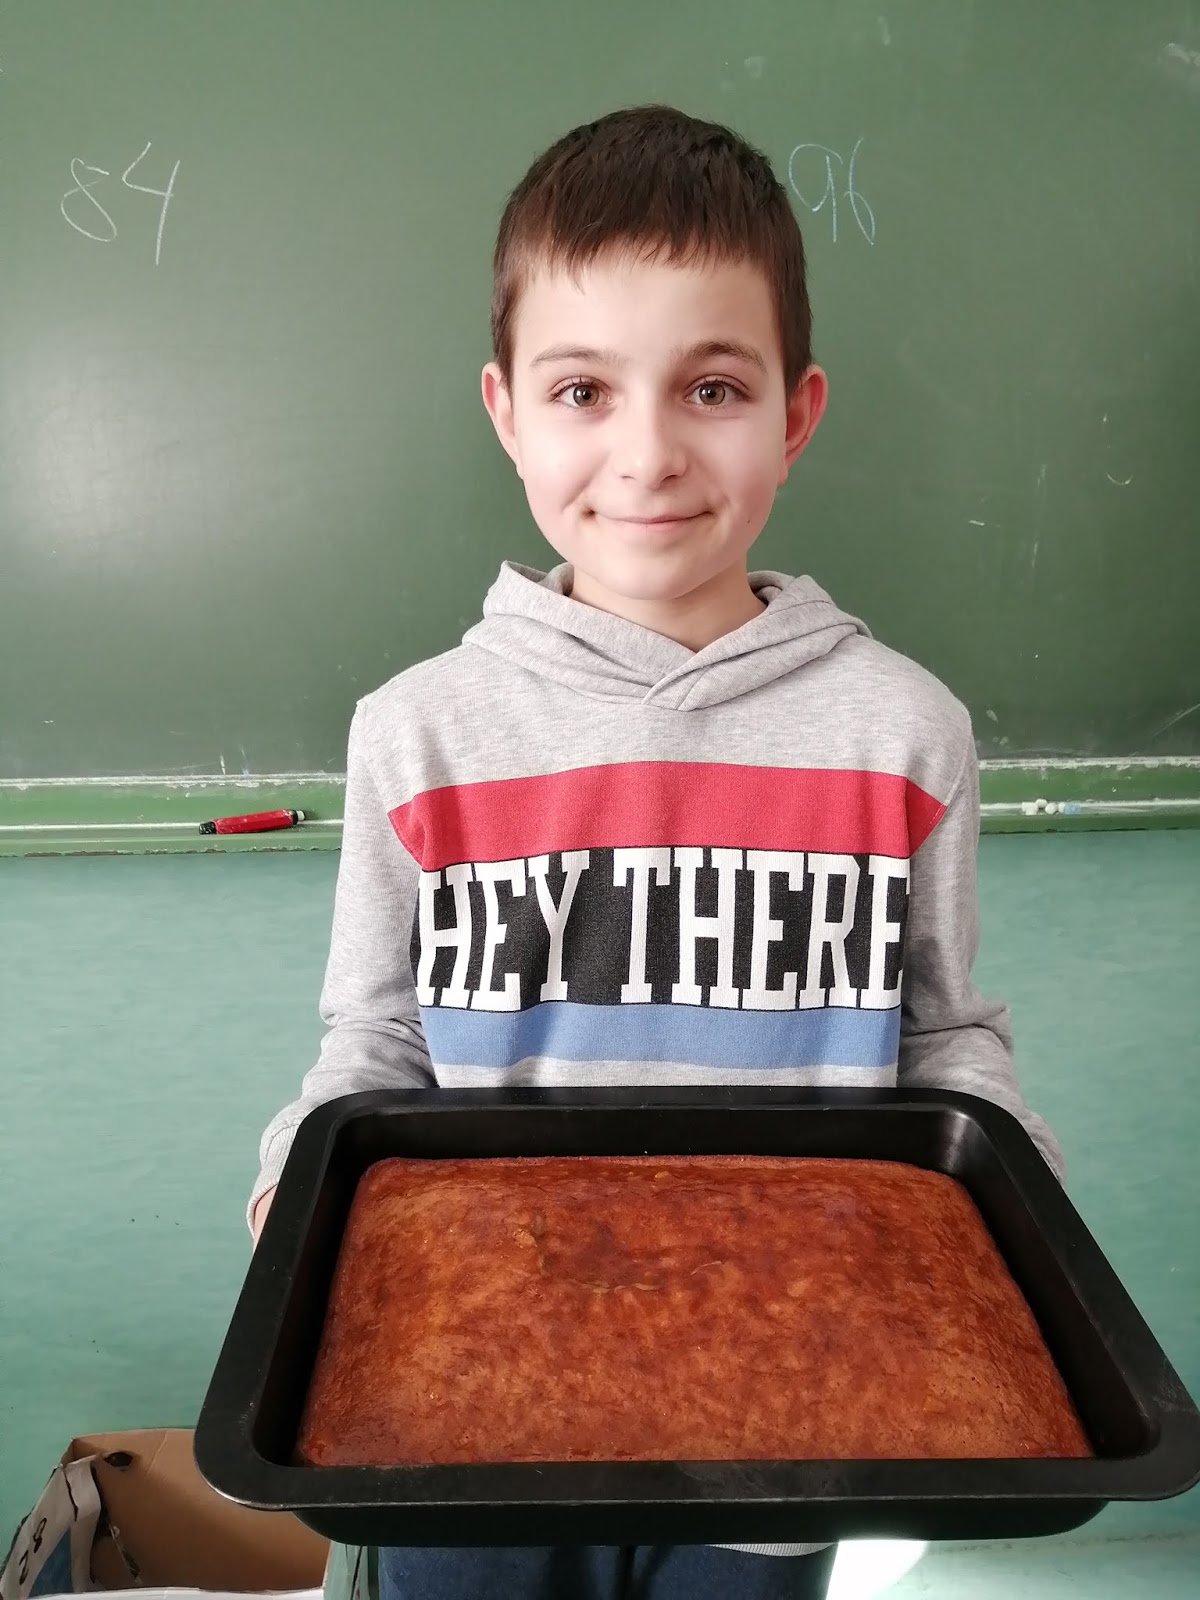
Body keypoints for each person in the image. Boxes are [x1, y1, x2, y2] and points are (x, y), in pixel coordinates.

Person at [248, 104, 1067, 1600]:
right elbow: (379, 1037)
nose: (647, 454)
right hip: (475, 1404)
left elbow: (945, 1034)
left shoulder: (904, 732)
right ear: (506, 411)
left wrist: (1010, 1189)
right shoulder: (417, 733)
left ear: (795, 414)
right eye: (581, 389)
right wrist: (296, 1173)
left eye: (711, 387)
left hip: (791, 1399)